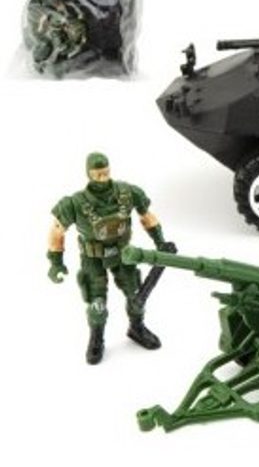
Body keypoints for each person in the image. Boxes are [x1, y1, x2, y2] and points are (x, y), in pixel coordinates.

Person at [47, 152, 174, 364]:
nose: (102, 177)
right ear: (89, 174)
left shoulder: (128, 192)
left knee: (136, 295)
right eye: (97, 174)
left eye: (105, 172)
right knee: (97, 304)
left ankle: (137, 328)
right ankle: (96, 339)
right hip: (93, 258)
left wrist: (160, 242)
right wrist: (56, 262)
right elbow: (57, 231)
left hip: (124, 253)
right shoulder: (74, 203)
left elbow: (147, 216)